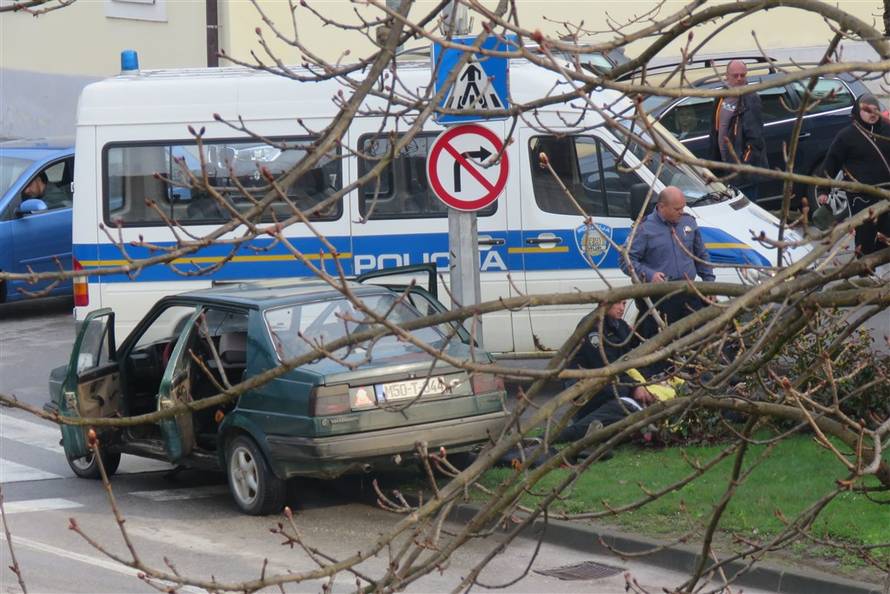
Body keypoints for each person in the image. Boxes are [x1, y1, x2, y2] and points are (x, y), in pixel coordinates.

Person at [556, 300, 680, 445]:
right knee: (623, 396)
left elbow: (631, 354)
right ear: (605, 304)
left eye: (624, 303)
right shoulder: (592, 328)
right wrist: (635, 387)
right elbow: (607, 368)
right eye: (618, 304)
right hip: (589, 389)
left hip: (611, 382)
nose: (622, 308)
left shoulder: (618, 324)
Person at [621, 186, 715, 340]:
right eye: (677, 209)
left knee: (697, 339)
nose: (681, 212)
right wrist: (650, 275)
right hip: (660, 298)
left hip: (688, 291)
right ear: (661, 207)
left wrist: (709, 283)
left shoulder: (688, 222)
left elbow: (701, 255)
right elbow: (625, 261)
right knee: (661, 344)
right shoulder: (644, 229)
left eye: (683, 207)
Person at [816, 93, 890, 258]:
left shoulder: (887, 130)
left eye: (875, 110)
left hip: (886, 192)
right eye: (867, 111)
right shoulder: (847, 136)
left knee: (886, 233)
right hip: (861, 195)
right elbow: (831, 163)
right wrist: (823, 190)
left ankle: (881, 266)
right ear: (858, 111)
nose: (872, 114)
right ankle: (864, 269)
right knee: (865, 234)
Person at [708, 60, 768, 200]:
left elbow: (755, 140)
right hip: (723, 169)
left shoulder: (751, 99)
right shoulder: (722, 97)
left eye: (742, 75)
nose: (739, 79)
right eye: (735, 75)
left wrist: (743, 165)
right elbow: (714, 130)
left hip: (743, 175)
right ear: (726, 76)